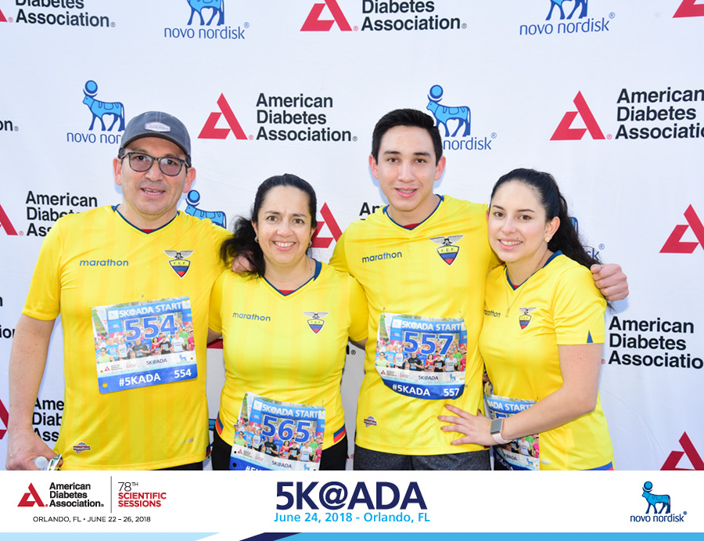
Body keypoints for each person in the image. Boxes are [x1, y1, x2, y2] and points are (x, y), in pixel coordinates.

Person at [329, 109, 628, 470]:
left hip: (458, 434)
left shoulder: (483, 222)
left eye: (420, 160)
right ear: (374, 166)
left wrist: (600, 277)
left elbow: (539, 256)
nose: (405, 174)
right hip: (380, 433)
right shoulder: (355, 240)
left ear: (439, 167)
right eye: (393, 159)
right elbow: (321, 301)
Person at [5, 111, 230, 470]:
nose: (154, 174)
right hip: (87, 457)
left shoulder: (220, 247)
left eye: (170, 163)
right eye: (140, 158)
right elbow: (33, 329)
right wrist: (18, 429)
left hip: (178, 459)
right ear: (117, 168)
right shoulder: (68, 234)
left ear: (188, 178)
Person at [439, 168, 614, 470]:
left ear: (550, 227)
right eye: (499, 214)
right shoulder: (491, 281)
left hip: (568, 465)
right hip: (511, 461)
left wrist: (496, 430)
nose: (508, 228)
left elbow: (580, 397)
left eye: (524, 217)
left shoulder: (572, 282)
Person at [209, 174, 368, 471]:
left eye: (297, 220)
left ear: (312, 230)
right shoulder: (228, 284)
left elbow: (383, 350)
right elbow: (192, 339)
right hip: (236, 448)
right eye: (272, 218)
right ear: (256, 226)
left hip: (321, 452)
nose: (284, 231)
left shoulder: (344, 288)